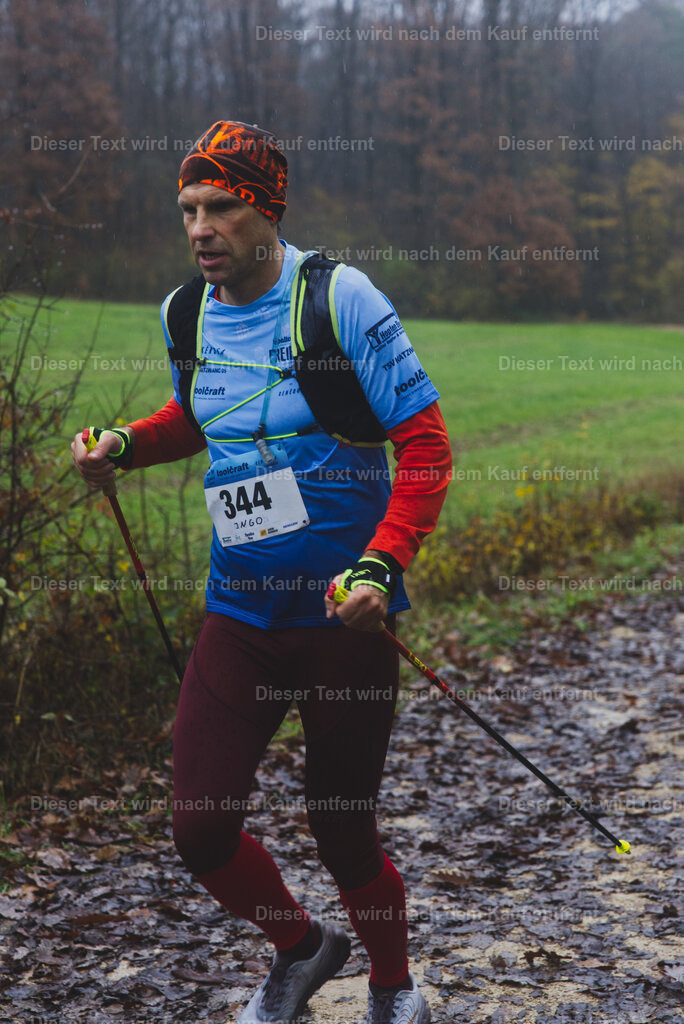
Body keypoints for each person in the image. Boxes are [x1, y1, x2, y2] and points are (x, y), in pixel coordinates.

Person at [72, 120, 452, 1024]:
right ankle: (300, 948)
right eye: (189, 210)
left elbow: (427, 447)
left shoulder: (341, 299)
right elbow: (203, 418)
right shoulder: (184, 312)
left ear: (267, 211)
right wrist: (127, 444)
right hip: (239, 613)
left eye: (223, 208)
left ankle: (396, 990)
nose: (202, 228)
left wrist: (381, 562)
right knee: (199, 827)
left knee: (342, 830)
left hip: (342, 620)